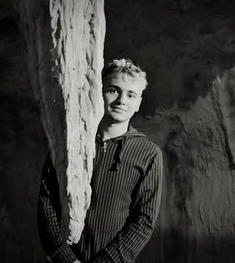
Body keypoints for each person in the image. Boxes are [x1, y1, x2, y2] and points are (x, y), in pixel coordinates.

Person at [38, 59, 163, 263]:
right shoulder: (69, 143)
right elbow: (47, 202)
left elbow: (143, 221)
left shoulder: (149, 153)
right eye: (114, 90)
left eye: (131, 95)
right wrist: (64, 258)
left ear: (138, 103)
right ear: (99, 92)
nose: (122, 100)